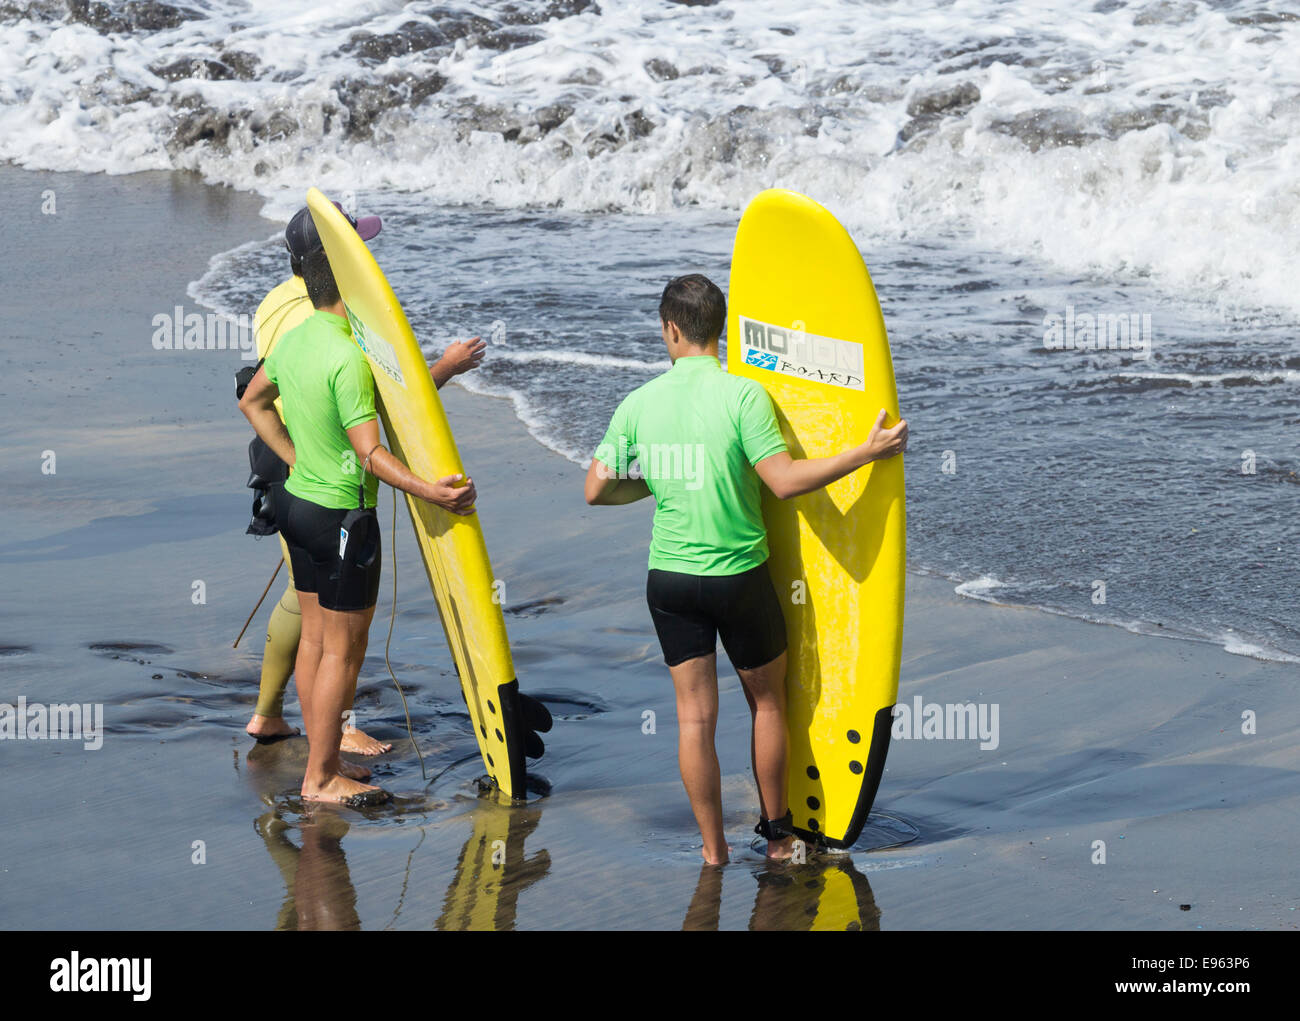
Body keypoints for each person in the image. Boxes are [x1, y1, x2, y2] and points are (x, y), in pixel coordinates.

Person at [584, 274, 908, 864]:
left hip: (670, 582)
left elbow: (596, 489)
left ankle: (713, 851)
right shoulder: (743, 396)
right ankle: (778, 838)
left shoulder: (637, 404)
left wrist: (661, 483)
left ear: (670, 329)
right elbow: (784, 483)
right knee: (768, 704)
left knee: (692, 718)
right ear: (722, 329)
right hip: (739, 579)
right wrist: (864, 453)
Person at [243, 204, 485, 760]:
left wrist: (294, 456)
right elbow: (373, 446)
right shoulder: (351, 349)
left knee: (314, 634)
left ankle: (308, 745)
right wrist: (433, 491)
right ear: (343, 265)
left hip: (295, 497)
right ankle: (323, 769)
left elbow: (252, 399)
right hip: (341, 513)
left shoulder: (292, 326)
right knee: (342, 652)